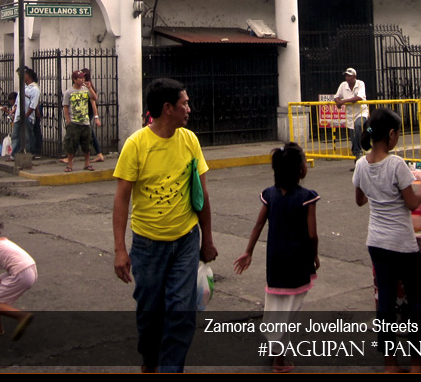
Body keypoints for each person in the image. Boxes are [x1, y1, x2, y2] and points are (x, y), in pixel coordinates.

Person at [113, 78, 218, 373]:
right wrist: (121, 250)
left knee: (182, 311)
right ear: (167, 108)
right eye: (184, 103)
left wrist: (206, 239)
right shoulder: (136, 145)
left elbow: (202, 193)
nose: (189, 108)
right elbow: (121, 200)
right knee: (150, 313)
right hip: (147, 245)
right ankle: (150, 359)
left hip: (186, 240)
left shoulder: (189, 140)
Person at [353, 108, 421, 373]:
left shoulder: (361, 164)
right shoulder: (396, 163)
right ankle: (417, 363)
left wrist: (376, 191)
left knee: (386, 303)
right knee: (416, 302)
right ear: (390, 134)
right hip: (401, 242)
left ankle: (390, 364)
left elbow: (360, 199)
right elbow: (411, 203)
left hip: (376, 241)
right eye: (398, 133)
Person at [233, 142, 319, 373]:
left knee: (275, 304)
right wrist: (315, 256)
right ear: (301, 170)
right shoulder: (306, 197)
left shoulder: (270, 195)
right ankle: (279, 360)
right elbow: (312, 234)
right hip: (298, 262)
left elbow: (259, 224)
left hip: (276, 263)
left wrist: (248, 251)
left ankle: (274, 349)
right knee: (290, 308)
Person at [63, 70, 99, 172]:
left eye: (83, 78)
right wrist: (68, 121)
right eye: (80, 78)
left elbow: (94, 98)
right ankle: (70, 165)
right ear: (74, 79)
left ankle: (87, 164)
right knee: (71, 144)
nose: (82, 80)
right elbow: (65, 107)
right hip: (74, 122)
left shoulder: (86, 90)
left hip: (85, 121)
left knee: (87, 144)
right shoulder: (69, 92)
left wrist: (90, 87)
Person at [333, 67, 369, 162]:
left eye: (349, 76)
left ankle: (357, 151)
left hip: (361, 112)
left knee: (358, 125)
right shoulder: (343, 85)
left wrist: (343, 101)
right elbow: (336, 96)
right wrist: (338, 102)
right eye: (346, 76)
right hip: (350, 115)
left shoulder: (360, 84)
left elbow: (359, 97)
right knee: (353, 138)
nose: (347, 78)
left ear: (354, 76)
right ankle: (357, 159)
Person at [12, 68, 39, 159]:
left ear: (28, 75)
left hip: (27, 116)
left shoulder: (34, 89)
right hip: (18, 115)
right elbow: (17, 101)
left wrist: (26, 116)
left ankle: (30, 153)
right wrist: (14, 109)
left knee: (28, 136)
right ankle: (14, 154)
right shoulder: (23, 87)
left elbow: (33, 105)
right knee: (15, 135)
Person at [82, 68, 106, 163]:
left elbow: (93, 103)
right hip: (84, 112)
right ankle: (99, 154)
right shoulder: (83, 86)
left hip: (88, 112)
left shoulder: (88, 87)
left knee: (90, 133)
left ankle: (99, 154)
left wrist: (96, 117)